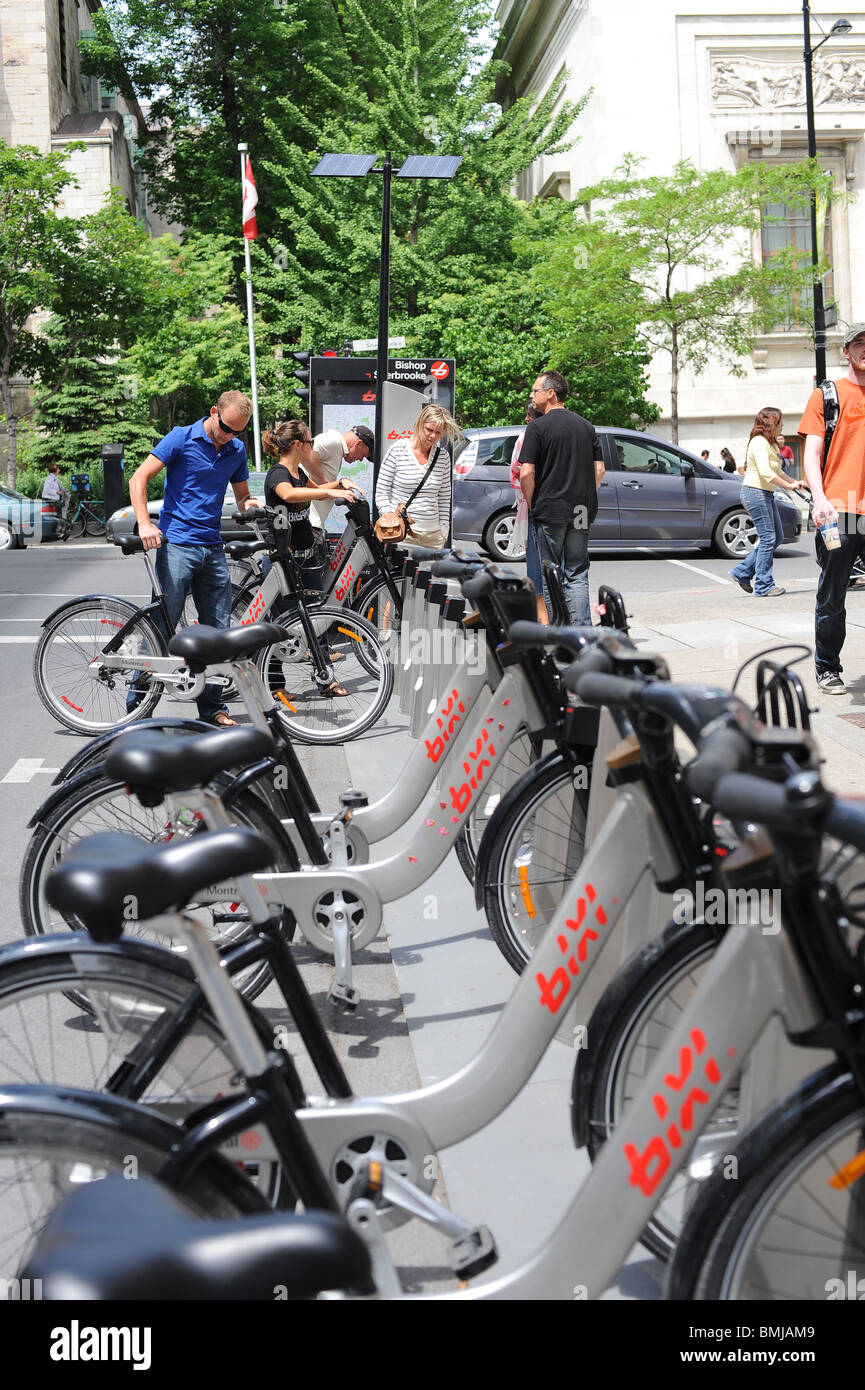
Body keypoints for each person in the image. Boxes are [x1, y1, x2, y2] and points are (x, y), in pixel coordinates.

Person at [128, 390, 259, 725]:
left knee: (216, 631)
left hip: (212, 547)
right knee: (161, 626)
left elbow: (242, 498)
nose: (230, 436)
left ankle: (212, 708)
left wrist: (251, 506)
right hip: (176, 546)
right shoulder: (181, 438)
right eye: (227, 428)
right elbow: (139, 478)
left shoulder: (236, 450)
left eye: (238, 432)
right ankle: (138, 705)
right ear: (214, 412)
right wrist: (145, 523)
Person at [263, 419, 362, 697]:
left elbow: (313, 487)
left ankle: (325, 680)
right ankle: (276, 686)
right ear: (297, 446)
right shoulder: (279, 474)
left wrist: (340, 483)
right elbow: (289, 494)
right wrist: (330, 490)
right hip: (283, 560)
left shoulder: (296, 473)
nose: (311, 446)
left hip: (304, 558)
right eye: (308, 442)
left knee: (316, 618)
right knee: (280, 625)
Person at [799, 322, 865, 695]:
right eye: (859, 343)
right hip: (839, 510)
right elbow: (812, 454)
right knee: (833, 593)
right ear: (846, 351)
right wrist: (819, 498)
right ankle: (827, 667)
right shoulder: (828, 395)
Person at [518, 369, 604, 627]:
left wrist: (532, 501)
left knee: (551, 573)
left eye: (535, 390)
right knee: (577, 572)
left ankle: (558, 633)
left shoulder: (537, 428)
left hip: (550, 510)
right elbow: (599, 470)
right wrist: (585, 495)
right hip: (580, 510)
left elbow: (526, 472)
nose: (532, 395)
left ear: (551, 393)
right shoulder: (586, 426)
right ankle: (582, 632)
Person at [729, 407, 799, 598]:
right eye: (779, 423)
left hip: (765, 494)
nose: (782, 426)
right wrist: (788, 486)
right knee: (768, 538)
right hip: (755, 493)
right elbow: (766, 473)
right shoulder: (758, 442)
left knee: (775, 538)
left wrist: (795, 483)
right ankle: (764, 585)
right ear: (771, 424)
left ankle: (742, 572)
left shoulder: (771, 444)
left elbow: (776, 471)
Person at [375, 403, 458, 550]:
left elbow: (444, 497)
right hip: (401, 535)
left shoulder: (443, 457)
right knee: (401, 574)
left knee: (431, 574)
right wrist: (390, 519)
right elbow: (381, 492)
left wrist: (443, 530)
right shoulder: (397, 450)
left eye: (438, 432)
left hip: (433, 537)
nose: (432, 436)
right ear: (420, 424)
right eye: (429, 429)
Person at [510, 403, 546, 622]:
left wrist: (529, 501)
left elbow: (520, 472)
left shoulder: (527, 438)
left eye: (528, 416)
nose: (525, 419)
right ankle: (557, 616)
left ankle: (542, 618)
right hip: (566, 509)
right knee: (564, 569)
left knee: (536, 565)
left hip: (537, 505)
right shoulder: (564, 432)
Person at [307, 424, 374, 533]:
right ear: (359, 443)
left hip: (313, 523)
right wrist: (324, 483)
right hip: (308, 522)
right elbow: (308, 454)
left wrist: (337, 488)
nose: (361, 460)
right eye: (364, 454)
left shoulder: (337, 448)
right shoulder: (333, 440)